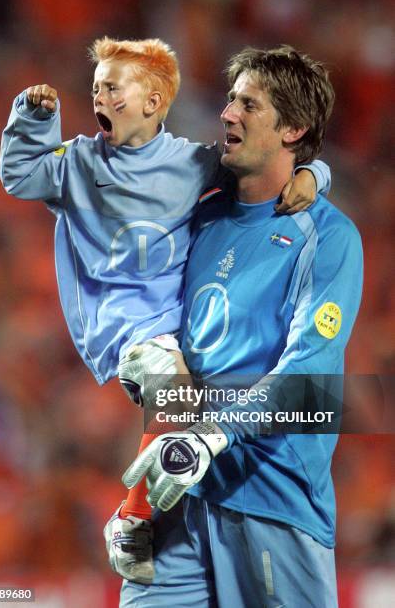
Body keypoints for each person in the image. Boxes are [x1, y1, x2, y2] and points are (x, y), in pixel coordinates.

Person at [0, 37, 330, 583]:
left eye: (112, 88)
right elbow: (20, 174)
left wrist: (316, 175)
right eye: (96, 88)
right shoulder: (78, 161)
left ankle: (148, 521)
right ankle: (130, 521)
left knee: (188, 409)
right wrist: (33, 120)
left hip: (176, 324)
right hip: (122, 327)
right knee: (180, 399)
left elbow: (265, 171)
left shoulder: (191, 164)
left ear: (153, 102)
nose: (99, 97)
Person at [119, 45, 363, 607]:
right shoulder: (197, 216)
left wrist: (216, 433)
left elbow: (308, 373)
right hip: (179, 491)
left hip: (271, 497)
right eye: (230, 100)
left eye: (248, 104)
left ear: (293, 128)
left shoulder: (327, 240)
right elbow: (166, 345)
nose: (226, 114)